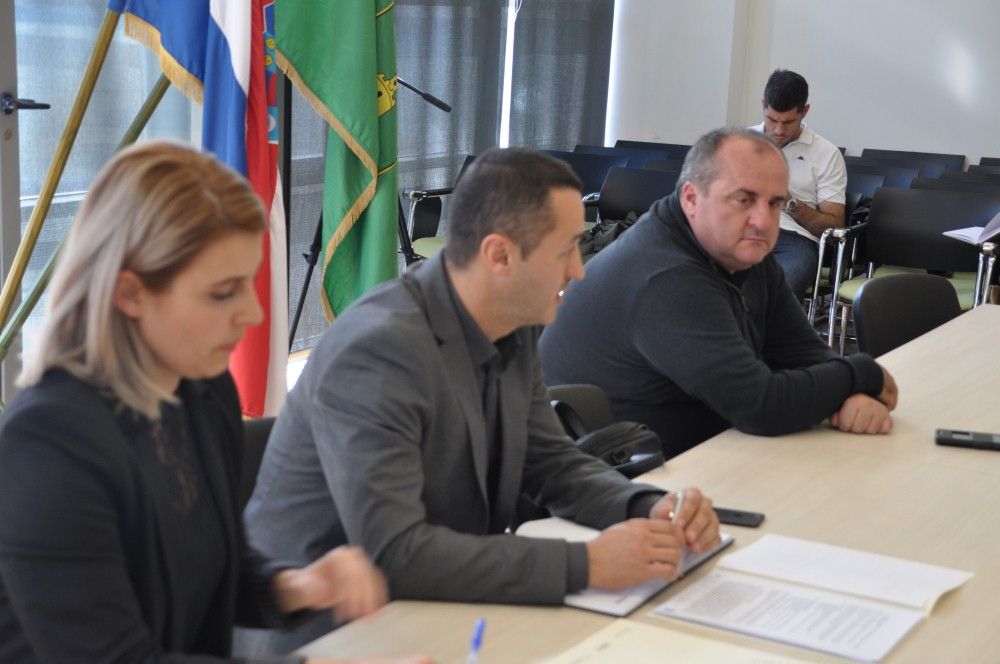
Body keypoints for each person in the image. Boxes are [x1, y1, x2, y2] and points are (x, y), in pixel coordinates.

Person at [242, 148, 721, 652]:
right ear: (499, 256)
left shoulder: (511, 319)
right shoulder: (377, 351)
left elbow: (549, 461)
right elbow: (395, 552)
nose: (579, 271)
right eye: (565, 251)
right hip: (325, 635)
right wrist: (588, 564)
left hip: (435, 609)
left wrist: (646, 506)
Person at [0, 142, 430, 664]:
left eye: (249, 283)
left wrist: (297, 585)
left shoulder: (201, 393)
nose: (253, 313)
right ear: (129, 293)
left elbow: (207, 569)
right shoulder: (47, 446)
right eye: (223, 292)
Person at [539, 128, 897, 459]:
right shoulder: (665, 276)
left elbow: (803, 353)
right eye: (743, 200)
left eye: (775, 203)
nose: (763, 221)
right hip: (617, 474)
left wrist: (846, 394)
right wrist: (861, 373)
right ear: (691, 198)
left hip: (698, 451)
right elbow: (759, 405)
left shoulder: (742, 252)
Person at [751, 68, 847, 300]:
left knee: (780, 286)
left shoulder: (826, 153)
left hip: (794, 240)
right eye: (772, 119)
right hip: (740, 227)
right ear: (763, 105)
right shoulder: (740, 142)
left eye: (788, 122)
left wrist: (788, 201)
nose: (778, 130)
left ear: (805, 111)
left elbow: (834, 226)